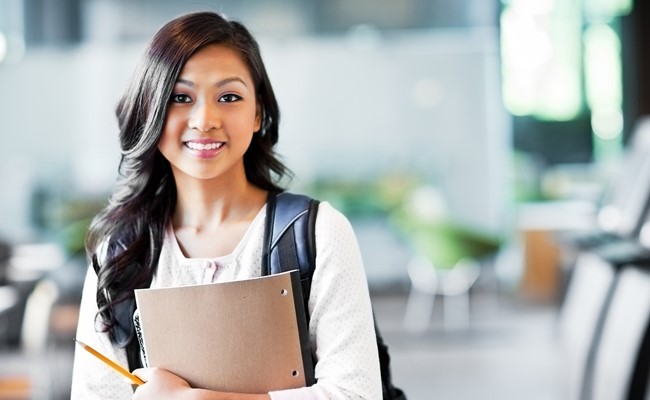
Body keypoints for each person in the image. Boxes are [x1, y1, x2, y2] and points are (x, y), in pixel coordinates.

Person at [70, 10, 381, 400]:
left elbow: (357, 394)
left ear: (258, 113)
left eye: (229, 97)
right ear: (151, 109)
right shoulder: (121, 253)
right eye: (180, 97)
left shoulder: (317, 233)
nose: (205, 119)